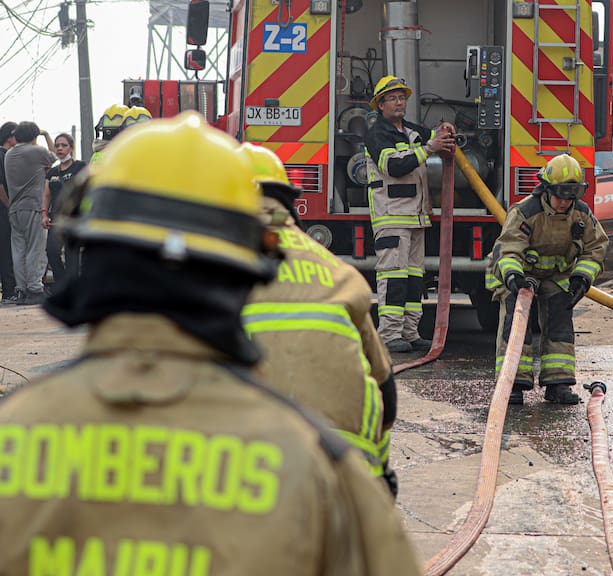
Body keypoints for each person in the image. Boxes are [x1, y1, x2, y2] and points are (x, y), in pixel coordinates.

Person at [0, 112, 421, 576]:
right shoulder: (319, 473)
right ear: (244, 275)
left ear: (89, 250)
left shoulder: (12, 436)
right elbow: (383, 392)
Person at [239, 144, 400, 497]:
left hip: (250, 479)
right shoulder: (338, 271)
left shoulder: (208, 267)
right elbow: (386, 391)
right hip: (347, 480)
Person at [488, 154, 608, 405]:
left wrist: (582, 277)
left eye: (570, 195)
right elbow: (508, 249)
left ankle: (558, 383)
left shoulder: (581, 214)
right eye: (560, 194)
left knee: (559, 322)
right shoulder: (526, 212)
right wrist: (513, 277)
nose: (564, 201)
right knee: (516, 322)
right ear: (546, 189)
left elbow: (596, 248)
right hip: (521, 277)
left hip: (556, 278)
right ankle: (513, 383)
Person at [364, 75, 456, 353]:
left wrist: (443, 129)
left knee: (414, 278)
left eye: (402, 97)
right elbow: (394, 166)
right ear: (380, 105)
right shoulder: (377, 134)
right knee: (393, 277)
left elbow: (432, 135)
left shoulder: (410, 131)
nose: (399, 102)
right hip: (392, 218)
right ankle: (389, 334)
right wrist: (430, 147)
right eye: (392, 98)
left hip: (415, 218)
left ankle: (410, 332)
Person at [4, 121, 55, 305]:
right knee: (35, 248)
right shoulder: (36, 152)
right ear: (34, 137)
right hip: (32, 206)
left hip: (15, 208)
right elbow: (55, 158)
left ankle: (22, 289)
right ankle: (34, 288)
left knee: (18, 250)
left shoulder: (9, 154)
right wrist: (46, 134)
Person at [42, 133, 87, 284]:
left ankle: (71, 287)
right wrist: (43, 214)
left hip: (75, 217)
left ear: (71, 148)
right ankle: (62, 283)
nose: (60, 148)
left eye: (64, 145)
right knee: (52, 252)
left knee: (71, 254)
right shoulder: (52, 172)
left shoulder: (80, 167)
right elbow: (46, 195)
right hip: (56, 218)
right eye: (57, 145)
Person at [0, 121, 18, 303]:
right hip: (3, 210)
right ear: (10, 136)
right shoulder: (2, 155)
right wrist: (9, 206)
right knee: (6, 250)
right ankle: (8, 291)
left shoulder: (9, 155)